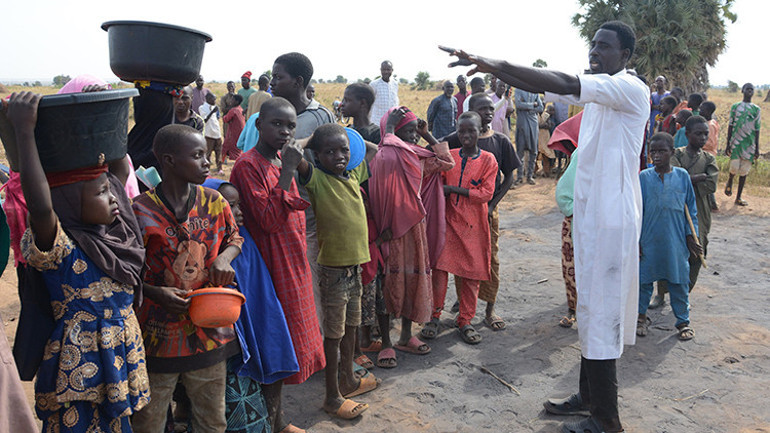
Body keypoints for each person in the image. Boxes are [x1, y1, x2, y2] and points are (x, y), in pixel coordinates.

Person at [443, 20, 649, 432]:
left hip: (610, 220)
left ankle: (606, 421)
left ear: (625, 56)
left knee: (602, 312)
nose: (595, 52)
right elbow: (540, 84)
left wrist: (492, 61)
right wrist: (492, 67)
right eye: (593, 44)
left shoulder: (629, 87)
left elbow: (551, 79)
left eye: (605, 47)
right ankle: (588, 399)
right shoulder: (598, 98)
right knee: (590, 307)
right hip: (591, 218)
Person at [7, 91, 150, 431]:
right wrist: (24, 131)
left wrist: (103, 123)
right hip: (77, 375)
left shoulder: (118, 236)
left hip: (118, 364)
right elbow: (41, 204)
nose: (115, 198)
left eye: (112, 190)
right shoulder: (61, 245)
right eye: (102, 193)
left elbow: (117, 170)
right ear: (69, 201)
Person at [131, 124, 244, 433]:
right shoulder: (140, 211)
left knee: (212, 419)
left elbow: (235, 238)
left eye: (206, 155)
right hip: (157, 336)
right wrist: (154, 292)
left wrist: (224, 257)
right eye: (197, 156)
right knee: (148, 421)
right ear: (168, 161)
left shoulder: (214, 202)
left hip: (209, 330)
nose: (207, 162)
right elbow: (127, 274)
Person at [229, 97, 326, 433]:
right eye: (277, 124)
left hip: (292, 258)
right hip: (269, 266)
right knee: (274, 344)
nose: (285, 132)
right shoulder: (248, 165)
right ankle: (270, 423)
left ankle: (277, 420)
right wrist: (287, 171)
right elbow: (268, 220)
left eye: (290, 126)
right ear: (258, 125)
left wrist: (288, 166)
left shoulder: (280, 159)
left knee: (290, 342)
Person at [289, 123, 380, 420]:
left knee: (351, 325)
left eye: (344, 150)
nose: (339, 156)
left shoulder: (353, 174)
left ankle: (348, 379)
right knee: (333, 332)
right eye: (329, 152)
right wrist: (311, 138)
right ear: (317, 156)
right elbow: (290, 150)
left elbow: (373, 149)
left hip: (354, 268)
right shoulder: (316, 179)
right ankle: (331, 395)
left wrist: (348, 136)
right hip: (333, 272)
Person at [201, 178, 298, 433]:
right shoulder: (206, 247)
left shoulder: (244, 240)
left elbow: (257, 283)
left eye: (239, 205)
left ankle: (276, 422)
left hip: (260, 312)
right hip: (230, 324)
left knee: (273, 354)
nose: (239, 212)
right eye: (231, 206)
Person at [368, 106, 454, 368]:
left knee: (411, 279)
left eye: (415, 130)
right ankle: (385, 342)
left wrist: (428, 135)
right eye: (409, 131)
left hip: (413, 228)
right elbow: (387, 156)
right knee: (386, 284)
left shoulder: (415, 157)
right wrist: (391, 130)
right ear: (391, 131)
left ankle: (406, 335)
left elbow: (447, 162)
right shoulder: (383, 153)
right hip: (388, 230)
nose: (413, 137)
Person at [434, 93, 521, 333]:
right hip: (454, 218)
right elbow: (436, 155)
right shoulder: (455, 141)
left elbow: (504, 180)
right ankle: (450, 311)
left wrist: (490, 206)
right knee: (448, 264)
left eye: (491, 109)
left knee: (484, 263)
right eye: (483, 109)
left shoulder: (499, 143)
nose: (489, 113)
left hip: (482, 216)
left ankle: (483, 312)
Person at [270, 52, 336, 331]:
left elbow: (335, 163)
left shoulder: (320, 116)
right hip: (279, 214)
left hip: (314, 217)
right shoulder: (270, 117)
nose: (272, 82)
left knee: (318, 283)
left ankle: (322, 346)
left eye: (278, 77)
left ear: (298, 82)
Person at [430, 112, 498, 344]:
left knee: (470, 273)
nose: (466, 135)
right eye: (462, 131)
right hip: (447, 221)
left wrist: (453, 190)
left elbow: (486, 194)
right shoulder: (451, 156)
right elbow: (434, 161)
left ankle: (465, 319)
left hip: (473, 224)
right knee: (439, 270)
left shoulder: (488, 160)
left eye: (471, 130)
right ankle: (434, 315)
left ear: (481, 131)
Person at [636, 132, 701, 341]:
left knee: (679, 280)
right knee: (643, 281)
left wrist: (692, 236)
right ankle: (640, 317)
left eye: (662, 151)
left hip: (675, 240)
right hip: (648, 239)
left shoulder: (682, 176)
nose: (656, 155)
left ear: (672, 152)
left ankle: (683, 321)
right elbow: (635, 212)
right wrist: (635, 241)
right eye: (652, 151)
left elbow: (691, 210)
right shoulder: (643, 178)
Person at [651, 116, 718, 309]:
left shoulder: (709, 158)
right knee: (668, 249)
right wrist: (696, 178)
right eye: (698, 134)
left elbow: (711, 184)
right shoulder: (676, 155)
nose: (703, 138)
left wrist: (688, 179)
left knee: (697, 250)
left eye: (706, 134)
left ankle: (683, 295)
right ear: (687, 134)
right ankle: (661, 294)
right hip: (674, 210)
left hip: (700, 212)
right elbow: (673, 178)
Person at [724, 83, 761, 207]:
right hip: (736, 142)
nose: (749, 91)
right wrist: (728, 143)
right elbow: (730, 125)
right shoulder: (735, 107)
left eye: (752, 89)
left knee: (744, 171)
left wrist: (757, 148)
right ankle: (730, 180)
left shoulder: (757, 109)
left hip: (749, 144)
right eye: (747, 89)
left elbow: (757, 129)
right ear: (742, 91)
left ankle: (738, 197)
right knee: (734, 167)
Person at [514, 86, 544, 184]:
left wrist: (527, 107)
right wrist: (532, 105)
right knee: (520, 151)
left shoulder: (535, 92)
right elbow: (518, 105)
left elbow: (540, 107)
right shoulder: (518, 89)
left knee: (533, 151)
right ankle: (519, 177)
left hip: (533, 124)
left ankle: (529, 176)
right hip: (522, 123)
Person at [699, 101, 720, 211]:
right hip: (708, 153)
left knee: (707, 178)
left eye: (702, 109)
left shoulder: (710, 125)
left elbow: (710, 142)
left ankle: (712, 203)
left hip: (707, 154)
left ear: (707, 111)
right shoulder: (711, 123)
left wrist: (699, 143)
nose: (700, 111)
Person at [200, 91, 224, 175]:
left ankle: (219, 168)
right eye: (213, 99)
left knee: (219, 152)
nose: (215, 101)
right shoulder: (202, 108)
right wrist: (212, 112)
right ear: (208, 99)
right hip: (209, 134)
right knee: (207, 153)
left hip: (217, 133)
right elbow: (204, 120)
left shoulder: (214, 107)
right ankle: (206, 169)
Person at [223, 94, 245, 165]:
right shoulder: (240, 109)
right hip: (240, 131)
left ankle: (223, 161)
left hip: (233, 132)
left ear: (236, 101)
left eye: (232, 100)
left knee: (226, 146)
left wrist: (224, 116)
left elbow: (226, 119)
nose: (230, 101)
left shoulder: (233, 110)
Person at [538, 104, 557, 177]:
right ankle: (533, 171)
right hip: (538, 137)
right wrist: (543, 125)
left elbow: (548, 125)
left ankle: (546, 172)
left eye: (543, 105)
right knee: (536, 155)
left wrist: (542, 125)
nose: (541, 107)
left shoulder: (546, 115)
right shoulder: (534, 114)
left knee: (546, 155)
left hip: (545, 138)